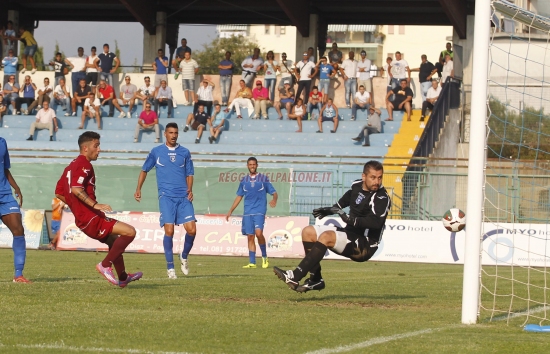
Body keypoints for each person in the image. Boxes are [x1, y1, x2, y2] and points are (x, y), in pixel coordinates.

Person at [274, 160, 391, 292]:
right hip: (350, 234)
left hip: (365, 245)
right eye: (373, 177)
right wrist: (332, 209)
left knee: (326, 237)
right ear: (364, 176)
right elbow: (350, 196)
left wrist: (352, 220)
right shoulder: (357, 185)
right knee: (308, 232)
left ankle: (294, 276)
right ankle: (316, 279)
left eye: (380, 177)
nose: (377, 181)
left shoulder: (381, 197)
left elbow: (376, 223)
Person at [55, 131, 142, 287]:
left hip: (84, 217)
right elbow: (75, 189)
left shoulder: (70, 166)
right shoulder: (84, 164)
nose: (99, 149)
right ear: (86, 148)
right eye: (96, 145)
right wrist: (94, 205)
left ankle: (123, 278)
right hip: (91, 216)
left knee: (113, 241)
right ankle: (105, 265)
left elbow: (59, 193)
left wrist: (76, 207)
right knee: (130, 232)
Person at [134, 123, 197, 279]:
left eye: (176, 132)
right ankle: (170, 268)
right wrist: (138, 189)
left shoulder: (185, 152)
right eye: (170, 132)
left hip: (183, 197)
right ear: (165, 134)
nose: (173, 135)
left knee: (192, 230)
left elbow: (190, 173)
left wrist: (189, 190)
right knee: (169, 231)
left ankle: (184, 256)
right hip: (166, 197)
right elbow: (144, 170)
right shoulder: (156, 152)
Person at [226, 157, 277, 269]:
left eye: (254, 164)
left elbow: (274, 192)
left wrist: (274, 199)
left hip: (259, 211)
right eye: (250, 164)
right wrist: (230, 210)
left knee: (258, 233)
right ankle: (252, 262)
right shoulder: (244, 180)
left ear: (257, 165)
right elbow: (239, 196)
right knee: (250, 237)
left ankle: (264, 257)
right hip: (247, 212)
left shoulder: (263, 179)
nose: (252, 166)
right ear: (247, 166)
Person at [0, 137, 31, 282]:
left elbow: (4, 168)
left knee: (18, 230)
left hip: (5, 194)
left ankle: (18, 275)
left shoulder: (2, 142)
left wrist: (16, 187)